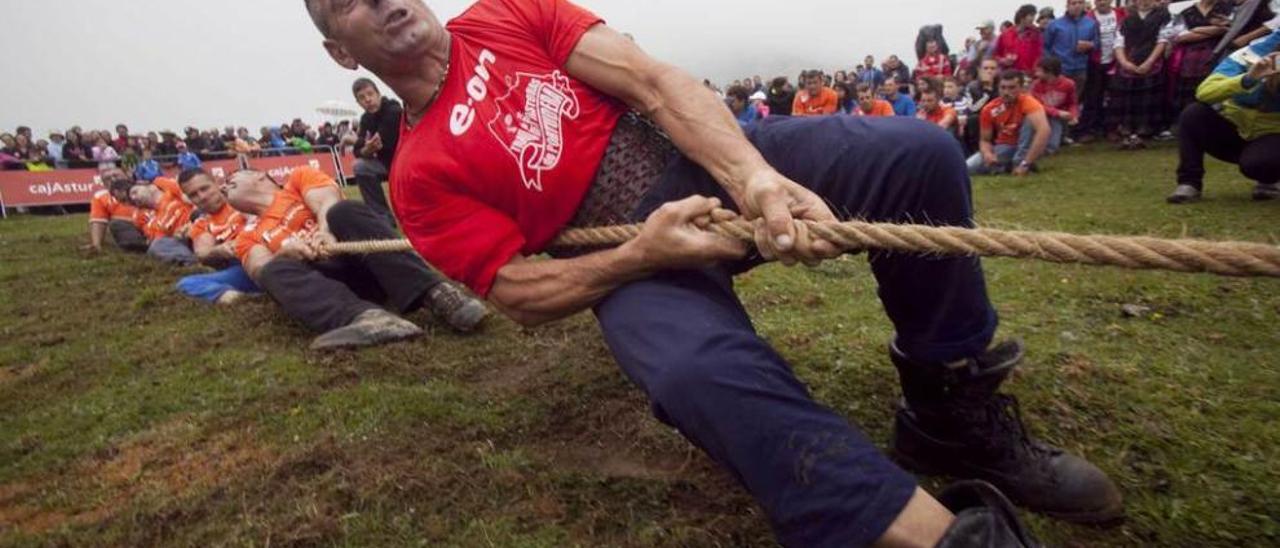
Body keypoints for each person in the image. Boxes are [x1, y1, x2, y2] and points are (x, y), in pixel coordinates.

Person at [305, 1, 1126, 545]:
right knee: (696, 371)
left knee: (915, 154)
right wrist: (642, 255)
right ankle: (936, 535)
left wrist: (754, 179)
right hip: (625, 259)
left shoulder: (508, 14)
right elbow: (517, 291)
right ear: (342, 46)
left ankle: (953, 410)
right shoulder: (416, 173)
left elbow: (658, 84)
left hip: (706, 161)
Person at [225, 167, 489, 349]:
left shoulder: (296, 181)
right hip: (324, 285)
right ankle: (368, 320)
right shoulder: (247, 236)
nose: (225, 185)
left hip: (365, 259)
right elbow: (259, 268)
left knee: (343, 211)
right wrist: (286, 253)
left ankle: (438, 294)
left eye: (232, 177)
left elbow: (327, 200)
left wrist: (325, 231)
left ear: (260, 176)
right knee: (274, 270)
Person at [1168, 30, 1280, 203]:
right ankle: (1189, 183)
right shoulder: (1247, 55)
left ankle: (1268, 180)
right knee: (1193, 114)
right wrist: (1248, 78)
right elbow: (1205, 91)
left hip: (1272, 133)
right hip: (1234, 127)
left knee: (1258, 164)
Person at [173, 169, 262, 305]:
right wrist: (219, 250)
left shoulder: (240, 198)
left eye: (204, 188)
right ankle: (243, 301)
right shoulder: (202, 224)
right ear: (189, 199)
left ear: (216, 183)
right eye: (194, 195)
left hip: (270, 250)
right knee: (187, 284)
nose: (202, 197)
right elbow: (202, 252)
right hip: (242, 268)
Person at [1111, 0, 1174, 149]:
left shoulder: (1163, 17)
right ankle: (1127, 135)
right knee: (1127, 102)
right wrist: (1124, 62)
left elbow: (1162, 41)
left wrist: (1149, 62)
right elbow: (1118, 43)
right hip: (1128, 63)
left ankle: (1143, 134)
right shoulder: (1127, 19)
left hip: (1152, 64)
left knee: (1146, 102)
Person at [967, 70, 1053, 175]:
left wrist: (1025, 163)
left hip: (1029, 145)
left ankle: (1021, 163)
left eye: (1011, 88)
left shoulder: (1029, 102)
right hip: (1004, 146)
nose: (1006, 92)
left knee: (1030, 120)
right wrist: (987, 153)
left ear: (1021, 88)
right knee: (968, 167)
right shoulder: (989, 109)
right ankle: (1007, 167)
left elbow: (1044, 131)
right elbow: (985, 140)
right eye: (1003, 88)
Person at [351, 76, 404, 226]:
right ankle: (382, 217)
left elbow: (380, 141)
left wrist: (364, 146)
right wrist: (365, 149)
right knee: (359, 166)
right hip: (386, 164)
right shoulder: (365, 119)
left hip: (408, 160)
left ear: (378, 94)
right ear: (358, 103)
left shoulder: (394, 110)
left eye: (370, 94)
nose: (367, 100)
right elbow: (358, 150)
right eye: (362, 98)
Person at [1169, 0, 1233, 114]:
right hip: (1190, 60)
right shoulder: (1186, 11)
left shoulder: (1227, 7)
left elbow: (1230, 29)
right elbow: (1179, 37)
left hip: (1217, 55)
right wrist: (1215, 30)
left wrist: (1197, 29)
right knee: (1189, 94)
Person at [1080, 0, 1129, 141]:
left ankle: (1112, 129)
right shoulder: (1087, 17)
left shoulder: (1121, 14)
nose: (1101, 2)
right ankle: (1088, 130)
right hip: (1094, 62)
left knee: (1115, 97)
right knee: (1092, 97)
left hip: (1116, 61)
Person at [129, 175, 198, 266]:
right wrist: (177, 235)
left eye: (135, 192)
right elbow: (163, 240)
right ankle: (195, 264)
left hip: (198, 220)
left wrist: (193, 223)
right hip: (185, 239)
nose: (134, 198)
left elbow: (192, 199)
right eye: (133, 201)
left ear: (144, 185)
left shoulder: (165, 187)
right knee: (156, 246)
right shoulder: (150, 222)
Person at [86, 168, 150, 254]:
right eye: (107, 179)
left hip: (156, 224)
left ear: (127, 176)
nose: (113, 179)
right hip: (130, 228)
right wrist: (96, 244)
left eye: (116, 176)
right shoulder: (101, 197)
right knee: (117, 224)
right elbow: (98, 221)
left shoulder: (147, 188)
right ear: (104, 184)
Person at [1043, 0, 1099, 98]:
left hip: (1081, 70)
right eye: (1073, 3)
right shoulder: (1055, 24)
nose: (1077, 6)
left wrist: (1090, 45)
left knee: (1074, 101)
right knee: (1056, 100)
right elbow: (1045, 47)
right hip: (1060, 70)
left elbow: (1097, 44)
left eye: (1080, 3)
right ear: (1067, 6)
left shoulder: (1091, 24)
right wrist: (1050, 68)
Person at [1030, 56, 1079, 153]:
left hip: (1058, 117)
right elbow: (1035, 105)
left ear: (1050, 72)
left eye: (1039, 71)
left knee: (1055, 125)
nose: (1036, 74)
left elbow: (1072, 103)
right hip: (1041, 114)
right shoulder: (1036, 85)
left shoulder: (1068, 84)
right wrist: (1056, 112)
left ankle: (1058, 140)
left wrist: (1073, 115)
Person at [994, 4, 1044, 72]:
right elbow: (996, 55)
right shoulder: (1006, 34)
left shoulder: (1036, 34)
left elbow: (1039, 55)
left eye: (1034, 16)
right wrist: (1003, 60)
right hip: (1010, 74)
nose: (1033, 19)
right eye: (1031, 15)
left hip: (1029, 75)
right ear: (1022, 16)